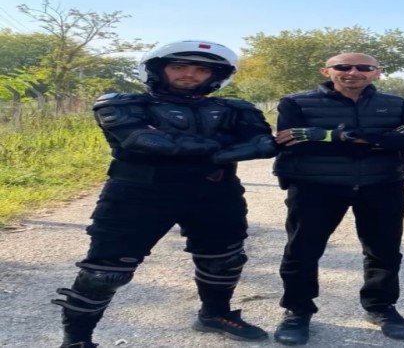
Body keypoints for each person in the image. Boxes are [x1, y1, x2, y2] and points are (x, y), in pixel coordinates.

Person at [52, 40, 279, 348]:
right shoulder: (122, 103)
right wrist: (222, 149)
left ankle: (214, 314)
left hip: (215, 194)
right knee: (105, 273)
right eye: (179, 67)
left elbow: (263, 144)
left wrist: (195, 149)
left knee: (224, 259)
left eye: (201, 70)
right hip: (137, 195)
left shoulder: (236, 109)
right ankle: (76, 341)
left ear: (216, 76)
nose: (189, 74)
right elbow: (143, 141)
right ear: (159, 69)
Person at [270, 52, 404, 345]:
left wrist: (330, 136)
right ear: (326, 71)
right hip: (315, 188)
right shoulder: (295, 103)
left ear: (377, 72)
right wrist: (387, 137)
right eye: (343, 67)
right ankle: (297, 311)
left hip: (382, 186)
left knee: (384, 251)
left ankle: (381, 307)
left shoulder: (401, 105)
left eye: (364, 67)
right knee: (302, 251)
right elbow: (296, 144)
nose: (353, 72)